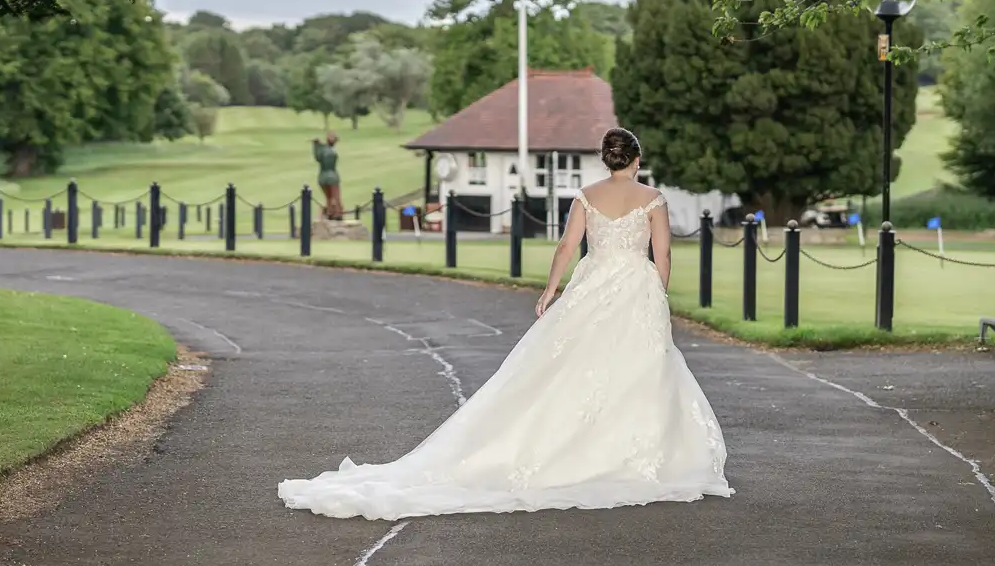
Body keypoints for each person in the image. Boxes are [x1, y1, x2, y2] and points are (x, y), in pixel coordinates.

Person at [280, 127, 731, 519]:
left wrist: (552, 290)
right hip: (636, 284)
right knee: (640, 369)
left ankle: (580, 447)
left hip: (592, 284)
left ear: (606, 159)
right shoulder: (653, 198)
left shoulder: (587, 196)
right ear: (636, 160)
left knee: (572, 366)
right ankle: (632, 454)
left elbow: (566, 247)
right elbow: (663, 253)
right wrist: (660, 290)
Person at [312, 130, 344, 219]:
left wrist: (317, 145)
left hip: (322, 177)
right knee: (336, 198)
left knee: (329, 198)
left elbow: (317, 156)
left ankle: (330, 212)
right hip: (332, 176)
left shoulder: (321, 150)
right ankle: (336, 214)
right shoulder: (330, 152)